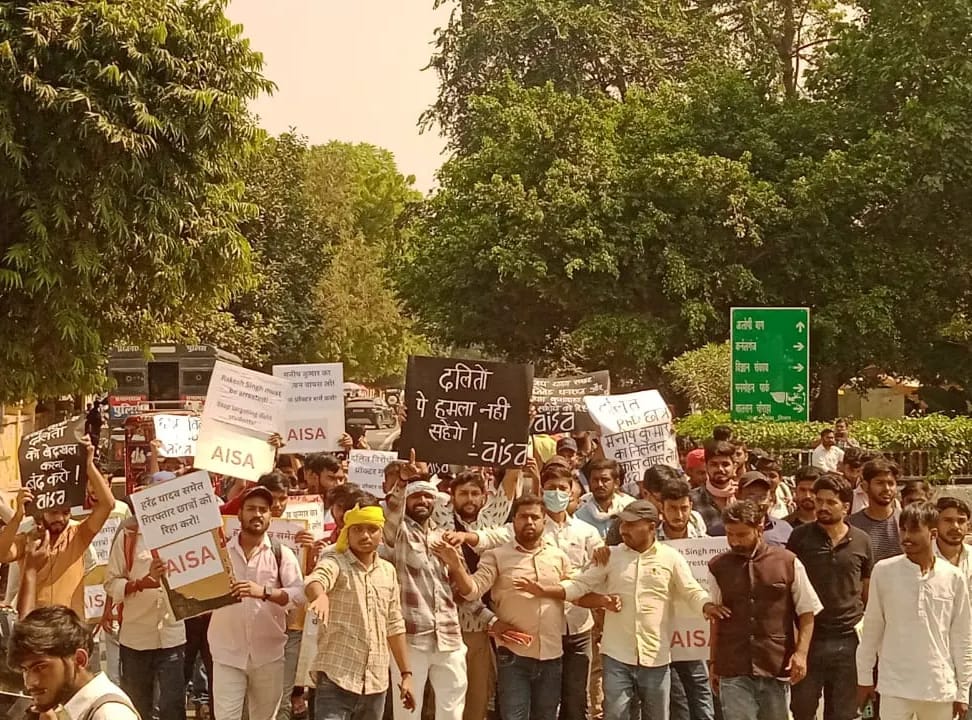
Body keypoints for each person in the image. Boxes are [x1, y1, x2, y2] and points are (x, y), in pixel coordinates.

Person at [513, 499, 721, 720]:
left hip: (656, 657)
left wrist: (706, 605)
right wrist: (545, 590)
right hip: (617, 655)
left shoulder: (670, 558)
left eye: (631, 524)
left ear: (651, 527)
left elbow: (690, 590)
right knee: (616, 714)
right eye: (623, 524)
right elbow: (580, 585)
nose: (623, 529)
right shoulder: (611, 556)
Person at [462, 464, 604, 720]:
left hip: (571, 633)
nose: (529, 522)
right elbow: (475, 580)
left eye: (562, 488)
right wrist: (462, 544)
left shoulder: (578, 540)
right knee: (515, 714)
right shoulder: (502, 551)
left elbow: (583, 584)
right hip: (518, 649)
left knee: (570, 703)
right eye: (551, 488)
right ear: (514, 521)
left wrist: (604, 599)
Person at [437, 495, 573, 720]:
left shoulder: (558, 556)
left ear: (544, 521)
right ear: (514, 521)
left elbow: (576, 590)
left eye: (534, 517)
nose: (529, 522)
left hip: (552, 655)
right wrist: (456, 566)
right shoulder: (497, 556)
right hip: (513, 656)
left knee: (547, 716)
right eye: (523, 517)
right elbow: (472, 591)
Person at [856, 502, 972, 720]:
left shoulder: (953, 577)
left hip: (939, 687)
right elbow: (872, 629)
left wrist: (963, 691)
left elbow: (962, 637)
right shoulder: (884, 571)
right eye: (903, 530)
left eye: (915, 530)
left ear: (933, 534)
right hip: (894, 687)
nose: (906, 537)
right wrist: (864, 679)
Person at [708, 501, 823, 720]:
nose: (734, 541)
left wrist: (801, 654)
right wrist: (713, 663)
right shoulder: (717, 566)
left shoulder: (788, 562)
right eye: (730, 534)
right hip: (732, 665)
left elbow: (807, 611)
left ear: (759, 529)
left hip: (775, 664)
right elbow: (716, 619)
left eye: (742, 534)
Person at [304, 500, 416, 720]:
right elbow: (316, 580)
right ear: (347, 532)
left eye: (372, 529)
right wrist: (320, 595)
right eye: (357, 529)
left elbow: (394, 625)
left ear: (381, 533)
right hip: (336, 677)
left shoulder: (388, 571)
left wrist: (406, 674)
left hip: (376, 683)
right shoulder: (335, 561)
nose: (365, 535)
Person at [208, 486, 306, 720]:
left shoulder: (281, 554)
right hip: (227, 654)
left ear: (271, 516)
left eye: (263, 510)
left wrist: (263, 592)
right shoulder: (220, 553)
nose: (257, 514)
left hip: (268, 655)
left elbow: (299, 595)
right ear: (239, 514)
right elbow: (194, 588)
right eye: (251, 509)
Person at [786, 473, 873, 720]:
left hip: (849, 640)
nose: (822, 507)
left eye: (830, 502)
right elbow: (790, 587)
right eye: (819, 501)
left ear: (846, 507)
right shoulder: (799, 537)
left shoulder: (862, 540)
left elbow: (866, 589)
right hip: (810, 640)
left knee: (844, 713)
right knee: (802, 709)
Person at [1, 435, 114, 618]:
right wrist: (17, 517)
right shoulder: (28, 540)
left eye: (66, 512)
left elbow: (107, 504)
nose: (60, 518)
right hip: (36, 627)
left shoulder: (78, 535)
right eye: (54, 512)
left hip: (69, 627)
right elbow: (2, 553)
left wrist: (88, 466)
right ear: (41, 511)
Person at [382, 480, 467, 720]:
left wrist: (490, 620)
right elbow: (391, 516)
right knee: (407, 713)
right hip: (411, 638)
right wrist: (401, 482)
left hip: (449, 636)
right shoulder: (399, 533)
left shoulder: (445, 538)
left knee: (452, 712)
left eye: (427, 496)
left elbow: (458, 590)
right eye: (415, 496)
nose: (422, 501)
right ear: (406, 500)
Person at [103, 491, 187, 720]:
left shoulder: (184, 536)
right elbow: (111, 583)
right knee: (137, 705)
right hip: (136, 638)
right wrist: (141, 583)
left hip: (172, 636)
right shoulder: (128, 537)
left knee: (173, 705)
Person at [9, 605, 138, 719]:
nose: (30, 682)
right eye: (25, 670)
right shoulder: (70, 709)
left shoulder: (109, 714)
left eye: (40, 667)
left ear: (79, 660)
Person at [848, 458, 902, 563]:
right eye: (880, 483)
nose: (887, 488)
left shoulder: (905, 522)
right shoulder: (851, 525)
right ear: (865, 486)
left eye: (891, 483)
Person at [642, 467, 706, 538]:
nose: (679, 515)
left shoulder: (694, 520)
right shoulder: (645, 531)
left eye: (684, 508)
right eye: (672, 508)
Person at [734, 471, 793, 547]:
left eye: (763, 497)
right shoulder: (725, 528)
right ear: (738, 496)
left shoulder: (784, 528)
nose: (757, 502)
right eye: (751, 496)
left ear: (770, 498)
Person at [690, 441, 736, 536]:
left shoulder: (742, 496)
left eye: (725, 464)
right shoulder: (692, 499)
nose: (720, 469)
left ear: (734, 467)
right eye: (714, 464)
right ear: (706, 467)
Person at [753, 455, 793, 520]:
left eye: (772, 476)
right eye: (763, 475)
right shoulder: (748, 504)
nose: (767, 480)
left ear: (780, 479)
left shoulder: (785, 505)